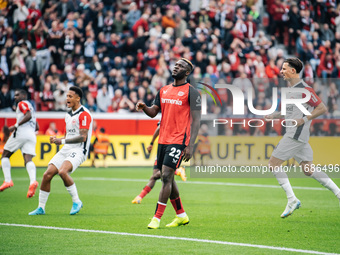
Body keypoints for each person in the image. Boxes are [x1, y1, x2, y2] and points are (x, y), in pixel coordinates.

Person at [265, 58, 340, 218]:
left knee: (273, 163)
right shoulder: (291, 90)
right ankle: (339, 194)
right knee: (308, 169)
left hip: (295, 134)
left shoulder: (305, 90)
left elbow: (322, 108)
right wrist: (275, 115)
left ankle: (292, 199)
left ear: (293, 71)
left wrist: (304, 120)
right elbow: (290, 112)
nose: (281, 72)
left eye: (284, 69)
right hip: (298, 134)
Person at [136, 58, 201, 229]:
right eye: (176, 65)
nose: (176, 67)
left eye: (181, 66)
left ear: (187, 73)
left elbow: (197, 121)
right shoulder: (163, 90)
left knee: (165, 176)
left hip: (179, 141)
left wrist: (190, 145)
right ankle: (181, 215)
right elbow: (153, 113)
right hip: (163, 140)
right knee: (169, 178)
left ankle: (156, 218)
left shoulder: (192, 92)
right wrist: (144, 107)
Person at [29, 86, 93, 216]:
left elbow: (82, 137)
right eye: (67, 96)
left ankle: (76, 201)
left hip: (80, 149)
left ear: (78, 98)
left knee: (62, 172)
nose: (67, 98)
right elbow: (68, 135)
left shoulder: (84, 114)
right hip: (67, 148)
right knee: (47, 174)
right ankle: (41, 208)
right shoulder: (68, 115)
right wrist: (58, 139)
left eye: (70, 96)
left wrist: (62, 141)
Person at [131, 122, 187, 204]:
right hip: (162, 149)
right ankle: (139, 197)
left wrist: (151, 142)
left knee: (163, 176)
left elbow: (159, 128)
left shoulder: (168, 115)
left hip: (166, 149)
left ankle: (177, 171)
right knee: (155, 177)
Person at [0, 89, 39, 198]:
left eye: (17, 95)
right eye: (15, 95)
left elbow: (28, 115)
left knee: (5, 155)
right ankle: (33, 181)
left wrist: (15, 126)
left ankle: (7, 180)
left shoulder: (22, 104)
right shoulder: (32, 107)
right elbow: (37, 126)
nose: (15, 97)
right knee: (28, 160)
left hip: (21, 133)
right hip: (31, 135)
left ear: (24, 95)